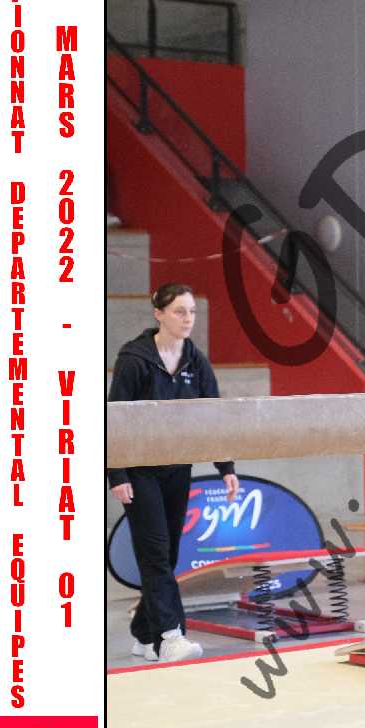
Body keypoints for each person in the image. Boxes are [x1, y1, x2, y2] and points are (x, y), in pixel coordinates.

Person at [107, 283, 239, 663]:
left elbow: (212, 418)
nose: (188, 319)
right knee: (155, 554)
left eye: (192, 311)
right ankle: (170, 637)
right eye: (180, 311)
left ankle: (144, 634)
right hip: (140, 472)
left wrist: (226, 468)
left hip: (177, 469)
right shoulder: (134, 360)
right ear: (159, 314)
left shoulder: (196, 362)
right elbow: (114, 420)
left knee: (168, 555)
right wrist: (117, 475)